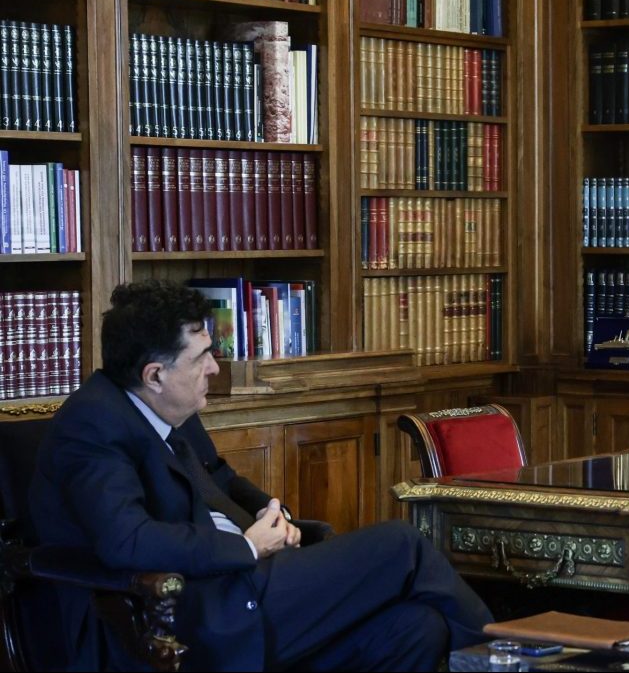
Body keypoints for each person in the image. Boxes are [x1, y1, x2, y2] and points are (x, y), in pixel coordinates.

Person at [29, 280, 493, 671]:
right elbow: (126, 541)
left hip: (242, 584)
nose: (215, 368)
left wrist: (272, 513)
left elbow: (221, 479)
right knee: (402, 545)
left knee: (415, 630)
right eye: (201, 357)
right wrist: (248, 547)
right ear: (154, 375)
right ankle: (506, 659)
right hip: (185, 615)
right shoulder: (92, 427)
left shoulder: (169, 404)